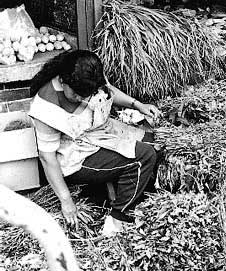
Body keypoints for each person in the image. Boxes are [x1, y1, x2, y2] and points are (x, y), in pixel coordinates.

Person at [29, 50, 160, 236]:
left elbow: (108, 92)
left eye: (86, 94)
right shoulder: (46, 106)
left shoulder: (89, 75)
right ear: (63, 80)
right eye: (77, 95)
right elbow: (47, 157)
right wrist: (66, 200)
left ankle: (123, 190)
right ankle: (118, 217)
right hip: (77, 155)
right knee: (144, 156)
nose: (82, 99)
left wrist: (137, 105)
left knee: (157, 144)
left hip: (101, 132)